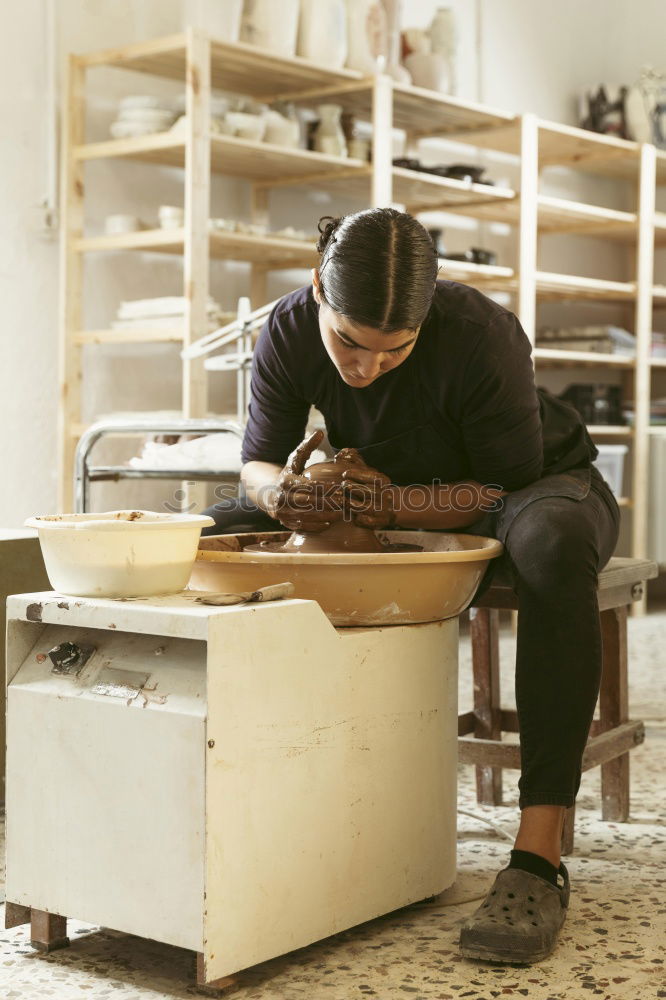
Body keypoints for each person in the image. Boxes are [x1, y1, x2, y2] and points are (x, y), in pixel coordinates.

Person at [203, 207, 620, 964]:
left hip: (537, 486)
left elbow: (503, 486)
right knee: (204, 531)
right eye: (349, 344)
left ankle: (537, 857)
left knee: (551, 545)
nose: (364, 369)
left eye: (394, 352)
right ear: (318, 293)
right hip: (390, 487)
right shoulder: (290, 327)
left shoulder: (481, 333)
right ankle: (237, 794)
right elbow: (257, 460)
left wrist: (392, 504)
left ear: (424, 322)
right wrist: (280, 496)